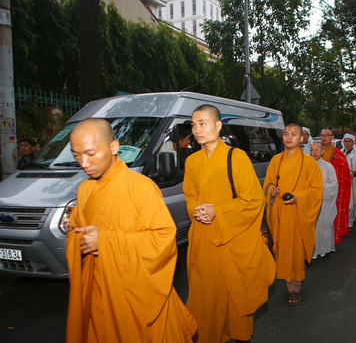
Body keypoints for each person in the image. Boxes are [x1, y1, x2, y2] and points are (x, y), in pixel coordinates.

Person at [65, 118, 196, 343]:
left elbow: (163, 238)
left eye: (90, 153)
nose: (84, 163)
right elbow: (77, 231)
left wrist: (105, 241)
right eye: (77, 155)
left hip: (136, 295)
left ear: (113, 147)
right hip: (100, 290)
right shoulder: (85, 189)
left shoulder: (141, 187)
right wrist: (79, 239)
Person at [183, 105, 275, 342]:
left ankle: (238, 335)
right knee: (205, 297)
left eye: (203, 123)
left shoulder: (237, 157)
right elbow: (189, 194)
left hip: (232, 238)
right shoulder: (192, 161)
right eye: (194, 125)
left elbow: (253, 200)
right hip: (204, 238)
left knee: (235, 294)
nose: (197, 130)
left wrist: (218, 212)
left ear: (218, 125)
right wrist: (197, 211)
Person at [264, 123, 323, 306]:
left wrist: (299, 197)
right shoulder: (275, 161)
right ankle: (284, 278)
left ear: (302, 138)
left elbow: (316, 191)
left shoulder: (309, 163)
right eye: (286, 134)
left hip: (297, 214)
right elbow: (267, 183)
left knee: (295, 251)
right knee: (282, 249)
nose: (289, 137)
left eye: (294, 134)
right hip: (280, 213)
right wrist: (271, 191)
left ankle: (294, 288)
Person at [320, 128, 351, 244]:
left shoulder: (338, 153)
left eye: (327, 135)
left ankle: (333, 239)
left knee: (333, 213)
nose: (324, 137)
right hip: (319, 187)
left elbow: (346, 172)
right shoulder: (315, 151)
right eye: (322, 135)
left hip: (334, 189)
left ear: (332, 138)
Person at [310, 141, 338, 258]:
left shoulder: (328, 166)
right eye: (312, 150)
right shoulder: (305, 165)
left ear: (322, 152)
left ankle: (325, 248)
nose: (315, 152)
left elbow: (334, 184)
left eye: (317, 150)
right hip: (309, 202)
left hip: (324, 202)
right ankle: (312, 250)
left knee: (323, 226)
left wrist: (319, 189)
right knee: (312, 227)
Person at [342, 133, 356, 231]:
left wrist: (354, 173)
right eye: (345, 141)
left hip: (352, 182)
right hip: (341, 182)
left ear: (353, 142)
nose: (347, 143)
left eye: (349, 141)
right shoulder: (340, 154)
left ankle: (349, 223)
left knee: (351, 203)